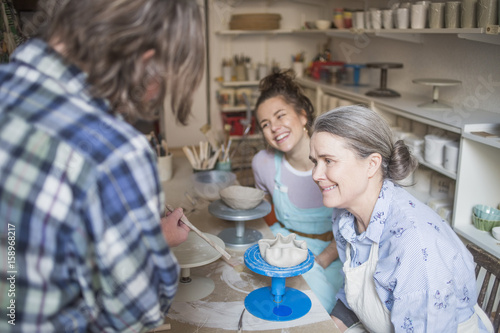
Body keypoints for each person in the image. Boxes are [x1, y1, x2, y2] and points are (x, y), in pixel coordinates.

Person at [0, 0, 204, 332]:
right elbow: (137, 313)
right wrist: (152, 241)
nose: (151, 98)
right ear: (146, 59)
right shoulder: (115, 152)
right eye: (162, 84)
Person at [310, 105, 494, 332]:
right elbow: (353, 297)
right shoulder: (344, 216)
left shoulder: (413, 244)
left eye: (328, 160)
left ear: (372, 164)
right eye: (314, 161)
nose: (316, 175)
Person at [251, 69, 343, 314]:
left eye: (281, 116)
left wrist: (319, 261)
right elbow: (265, 211)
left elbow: (354, 223)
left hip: (332, 254)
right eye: (265, 124)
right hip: (285, 249)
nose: (274, 128)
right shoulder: (263, 163)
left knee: (320, 312)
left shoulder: (337, 160)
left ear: (303, 116)